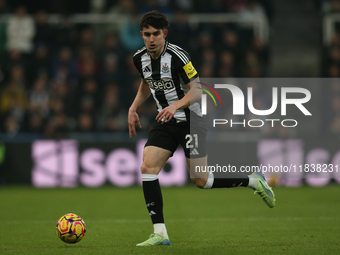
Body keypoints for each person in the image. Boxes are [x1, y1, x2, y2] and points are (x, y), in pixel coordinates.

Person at [128, 10, 275, 247]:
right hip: (165, 120)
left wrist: (175, 105)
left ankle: (252, 180)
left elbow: (197, 91)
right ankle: (160, 233)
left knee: (201, 180)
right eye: (147, 35)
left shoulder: (178, 56)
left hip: (190, 121)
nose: (151, 39)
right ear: (142, 35)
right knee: (147, 167)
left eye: (156, 34)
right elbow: (147, 83)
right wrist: (133, 107)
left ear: (164, 33)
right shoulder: (139, 58)